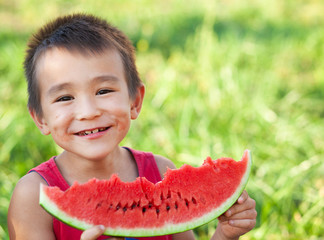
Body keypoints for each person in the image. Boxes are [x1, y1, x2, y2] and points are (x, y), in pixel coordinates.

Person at [7, 13, 257, 240]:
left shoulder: (159, 172)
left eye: (103, 91)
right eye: (64, 98)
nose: (88, 112)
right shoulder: (34, 196)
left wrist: (225, 234)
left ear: (135, 102)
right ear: (40, 118)